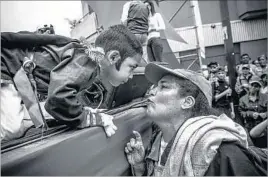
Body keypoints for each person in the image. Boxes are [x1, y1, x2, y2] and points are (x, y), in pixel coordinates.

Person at [1, 24, 143, 141]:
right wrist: (91, 118)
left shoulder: (89, 64)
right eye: (131, 67)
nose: (131, 76)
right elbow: (57, 99)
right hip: (6, 65)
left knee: (25, 123)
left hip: (16, 72)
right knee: (11, 130)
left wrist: (82, 111)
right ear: (113, 57)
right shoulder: (86, 62)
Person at [125, 63, 266, 176]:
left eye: (163, 86)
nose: (152, 92)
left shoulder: (220, 152)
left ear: (187, 102)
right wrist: (140, 168)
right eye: (155, 86)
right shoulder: (154, 144)